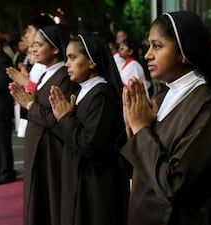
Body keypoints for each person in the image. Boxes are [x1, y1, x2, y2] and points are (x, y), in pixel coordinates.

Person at [120, 11, 211, 225]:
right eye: (149, 46)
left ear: (183, 52)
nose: (147, 55)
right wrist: (132, 125)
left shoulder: (210, 110)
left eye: (157, 46)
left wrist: (141, 128)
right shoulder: (163, 95)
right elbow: (141, 165)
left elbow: (174, 184)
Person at [48, 34, 129, 225]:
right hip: (78, 177)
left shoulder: (101, 95)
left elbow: (90, 145)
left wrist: (66, 118)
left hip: (95, 184)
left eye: (72, 57)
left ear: (92, 61)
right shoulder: (82, 90)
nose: (67, 64)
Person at [9, 25, 79, 225]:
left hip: (51, 151)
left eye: (38, 45)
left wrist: (30, 103)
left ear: (56, 49)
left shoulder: (64, 77)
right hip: (39, 147)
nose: (33, 49)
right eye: (32, 45)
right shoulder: (46, 74)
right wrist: (26, 100)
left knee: (49, 204)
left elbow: (56, 117)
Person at [0, 38, 16, 185]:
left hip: (2, 109)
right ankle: (1, 170)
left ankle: (6, 171)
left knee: (3, 142)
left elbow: (3, 81)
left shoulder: (3, 60)